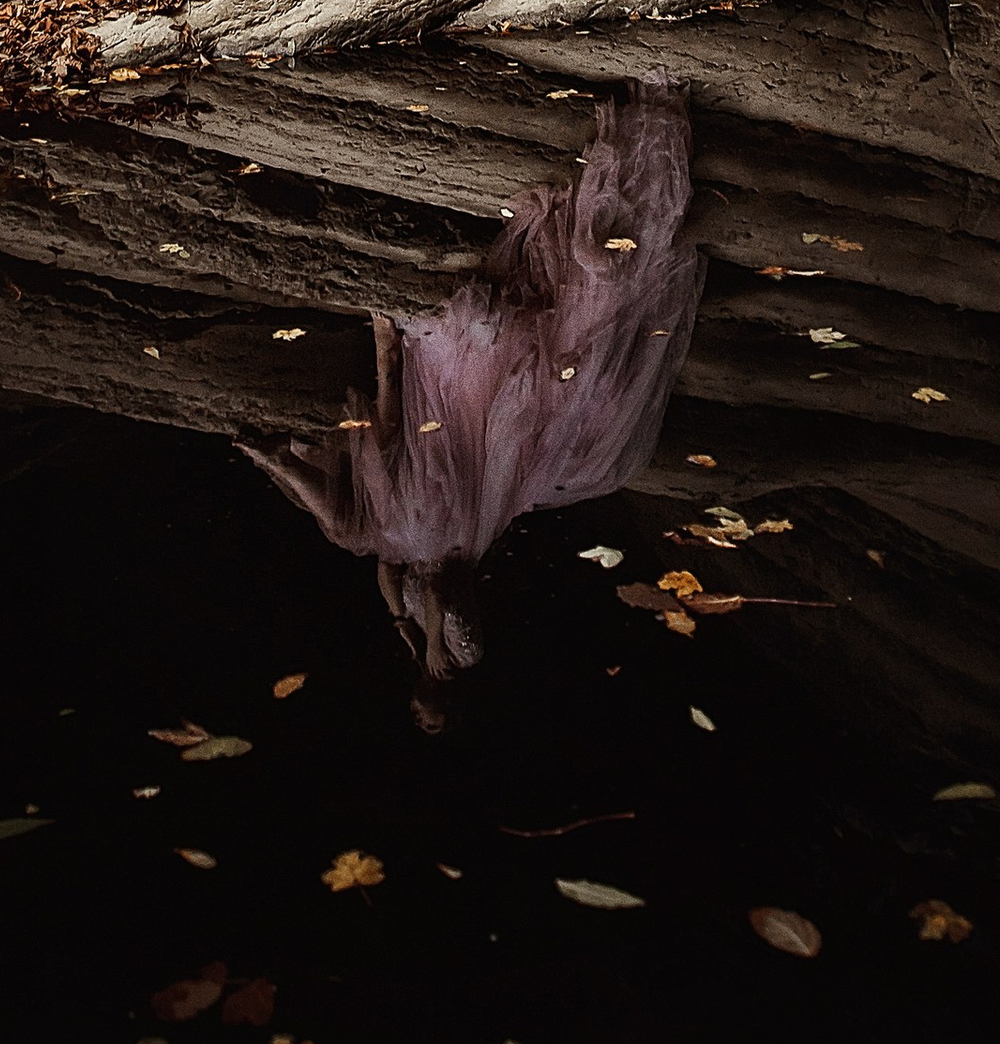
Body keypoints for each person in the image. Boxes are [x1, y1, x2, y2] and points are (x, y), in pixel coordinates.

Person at [243, 87, 701, 724]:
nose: (422, 703)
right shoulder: (464, 653)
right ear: (448, 699)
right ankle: (347, 394)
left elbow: (386, 571)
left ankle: (276, 458)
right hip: (453, 528)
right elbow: (448, 589)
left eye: (416, 713)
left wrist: (403, 625)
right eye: (433, 713)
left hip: (414, 527)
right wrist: (430, 636)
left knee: (354, 528)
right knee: (385, 498)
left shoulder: (412, 645)